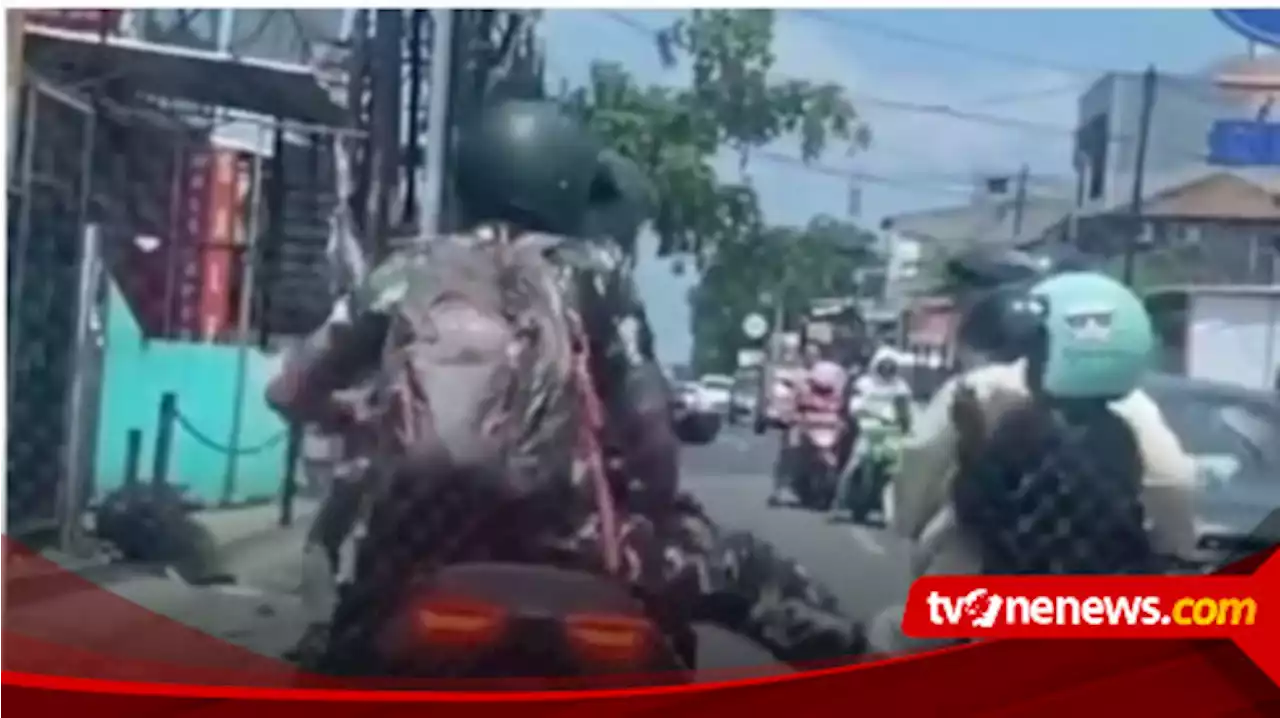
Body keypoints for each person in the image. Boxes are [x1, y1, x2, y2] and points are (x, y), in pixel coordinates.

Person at [270, 99, 867, 673]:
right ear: (565, 184)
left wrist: (352, 418)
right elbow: (653, 442)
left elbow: (291, 391)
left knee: (339, 625)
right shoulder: (595, 272)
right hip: (577, 550)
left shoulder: (404, 272)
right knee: (748, 570)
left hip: (414, 551)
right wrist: (651, 502)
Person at [868, 249, 1198, 653]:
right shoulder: (1125, 429)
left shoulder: (1003, 409)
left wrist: (967, 453)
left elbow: (967, 503)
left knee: (887, 638)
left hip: (1005, 601)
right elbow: (1173, 488)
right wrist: (1173, 553)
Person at [828, 346, 912, 520]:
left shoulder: (901, 387)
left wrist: (906, 425)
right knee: (853, 466)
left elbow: (905, 411)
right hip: (867, 430)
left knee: (898, 471)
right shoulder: (864, 384)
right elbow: (855, 407)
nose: (887, 369)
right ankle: (839, 502)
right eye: (884, 365)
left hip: (890, 433)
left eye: (891, 366)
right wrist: (866, 415)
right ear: (876, 365)